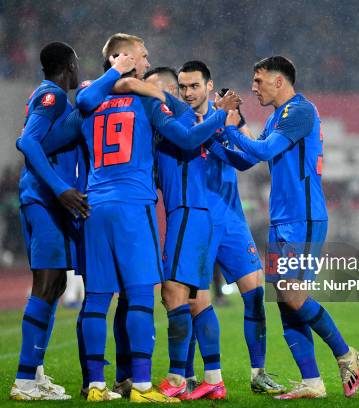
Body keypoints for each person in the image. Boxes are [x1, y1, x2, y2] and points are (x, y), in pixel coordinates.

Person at [47, 33, 240, 403]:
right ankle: (139, 385)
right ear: (124, 58)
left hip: (94, 206)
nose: (148, 63)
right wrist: (220, 114)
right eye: (143, 56)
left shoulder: (90, 101)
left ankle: (96, 386)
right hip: (134, 206)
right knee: (139, 298)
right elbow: (186, 139)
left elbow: (46, 142)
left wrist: (62, 187)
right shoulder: (145, 102)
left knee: (97, 300)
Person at [219, 56, 359, 399]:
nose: (253, 88)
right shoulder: (276, 117)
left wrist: (227, 127)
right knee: (284, 302)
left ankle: (345, 354)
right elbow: (248, 159)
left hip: (304, 219)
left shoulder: (300, 111)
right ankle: (312, 382)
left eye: (258, 81)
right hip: (281, 221)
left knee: (292, 294)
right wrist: (219, 136)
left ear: (278, 81)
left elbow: (265, 148)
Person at [10, 41, 133, 401]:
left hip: (53, 203)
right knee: (46, 285)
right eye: (76, 63)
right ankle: (23, 379)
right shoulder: (50, 96)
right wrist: (62, 189)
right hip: (45, 201)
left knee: (56, 286)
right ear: (69, 65)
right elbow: (28, 143)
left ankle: (34, 372)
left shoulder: (59, 100)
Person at [177, 60, 284, 398]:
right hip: (197, 221)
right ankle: (195, 375)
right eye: (183, 87)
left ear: (210, 87)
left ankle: (259, 373)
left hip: (232, 221)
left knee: (255, 295)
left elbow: (249, 158)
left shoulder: (224, 119)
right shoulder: (179, 122)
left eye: (195, 86)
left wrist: (236, 122)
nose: (188, 92)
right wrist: (218, 126)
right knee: (194, 301)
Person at [143, 66, 216, 400]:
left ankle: (177, 377)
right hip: (192, 213)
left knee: (171, 292)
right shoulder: (179, 122)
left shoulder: (180, 119)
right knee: (196, 299)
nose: (150, 94)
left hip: (186, 212)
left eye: (155, 88)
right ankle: (212, 377)